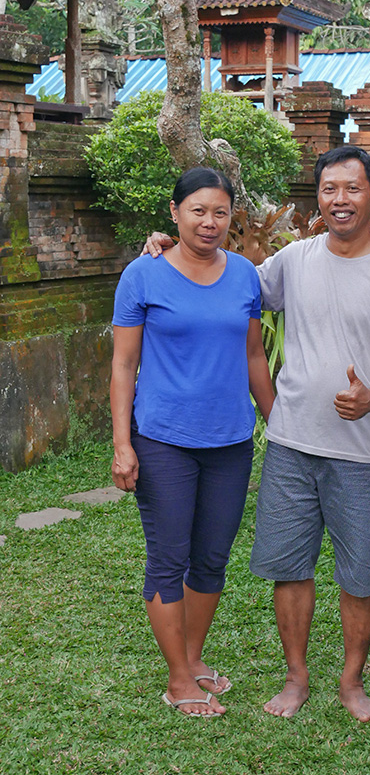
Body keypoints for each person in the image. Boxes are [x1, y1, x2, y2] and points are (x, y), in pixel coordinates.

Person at [145, 146, 370, 721]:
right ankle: (296, 677)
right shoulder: (291, 262)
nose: (340, 200)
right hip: (292, 449)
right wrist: (165, 248)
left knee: (360, 572)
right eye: (329, 189)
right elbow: (221, 280)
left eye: (352, 189)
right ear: (317, 198)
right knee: (289, 566)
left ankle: (351, 681)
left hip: (364, 451)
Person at [110, 167, 274, 718]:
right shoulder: (143, 275)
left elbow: (254, 356)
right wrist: (121, 443)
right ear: (175, 212)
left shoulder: (246, 276)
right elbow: (123, 363)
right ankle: (179, 679)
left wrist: (279, 422)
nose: (209, 222)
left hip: (230, 439)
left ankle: (195, 657)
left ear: (232, 217)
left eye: (220, 212)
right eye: (198, 210)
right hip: (162, 440)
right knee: (169, 557)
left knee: (210, 558)